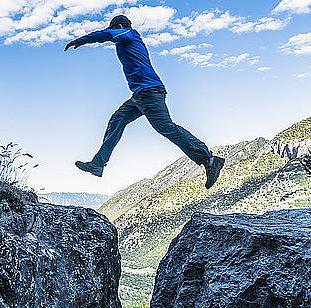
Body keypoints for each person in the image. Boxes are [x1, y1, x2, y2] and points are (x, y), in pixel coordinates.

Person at [64, 15, 225, 189]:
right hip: (139, 96)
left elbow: (109, 35)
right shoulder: (129, 37)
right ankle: (98, 164)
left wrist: (81, 40)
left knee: (165, 126)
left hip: (150, 93)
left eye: (113, 30)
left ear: (118, 26)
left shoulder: (128, 33)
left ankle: (208, 159)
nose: (112, 35)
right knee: (117, 120)